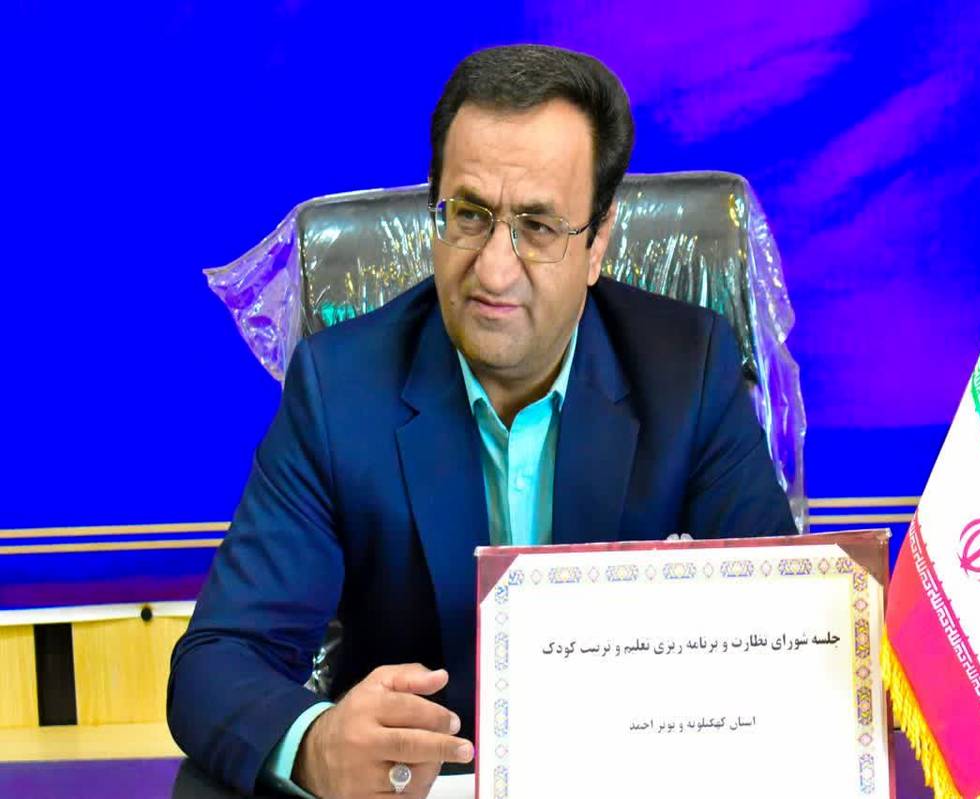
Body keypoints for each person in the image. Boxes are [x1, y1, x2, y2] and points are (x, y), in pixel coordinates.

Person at [168, 44, 797, 799]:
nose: (495, 270)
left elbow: (788, 631)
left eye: (539, 226)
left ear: (597, 241)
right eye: (469, 215)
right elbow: (216, 661)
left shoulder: (686, 370)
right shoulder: (340, 388)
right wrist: (316, 745)